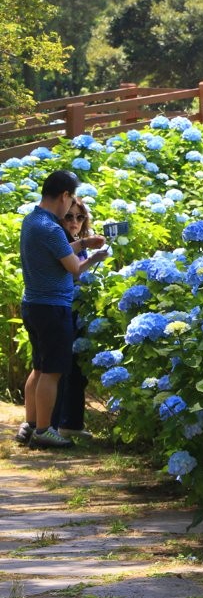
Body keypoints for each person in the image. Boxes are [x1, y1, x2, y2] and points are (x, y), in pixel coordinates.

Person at [15, 170, 107, 449]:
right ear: (65, 196)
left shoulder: (32, 220)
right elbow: (75, 269)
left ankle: (30, 426)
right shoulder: (53, 228)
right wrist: (95, 256)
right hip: (53, 306)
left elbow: (55, 252)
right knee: (53, 371)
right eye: (71, 201)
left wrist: (82, 243)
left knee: (39, 368)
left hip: (32, 304)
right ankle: (44, 430)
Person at [51, 196, 96, 441]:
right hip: (63, 306)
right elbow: (72, 273)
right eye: (69, 216)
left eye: (80, 217)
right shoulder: (59, 242)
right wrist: (94, 259)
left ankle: (71, 422)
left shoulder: (77, 242)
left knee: (77, 367)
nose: (75, 222)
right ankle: (55, 423)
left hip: (76, 307)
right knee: (62, 367)